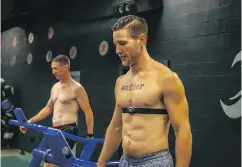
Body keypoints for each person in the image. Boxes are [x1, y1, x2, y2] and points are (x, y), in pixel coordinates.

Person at [97, 15, 192, 167]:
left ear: (141, 40)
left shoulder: (166, 78)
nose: (117, 50)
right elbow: (116, 127)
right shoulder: (121, 81)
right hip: (126, 161)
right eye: (115, 44)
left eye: (123, 43)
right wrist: (101, 161)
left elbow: (182, 130)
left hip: (155, 161)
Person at [20, 55, 94, 167]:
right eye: (52, 68)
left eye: (55, 68)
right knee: (47, 163)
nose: (53, 72)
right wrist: (30, 121)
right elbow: (48, 108)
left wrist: (90, 136)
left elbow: (88, 112)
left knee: (54, 163)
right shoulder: (55, 87)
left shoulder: (77, 88)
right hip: (54, 130)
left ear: (65, 67)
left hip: (68, 130)